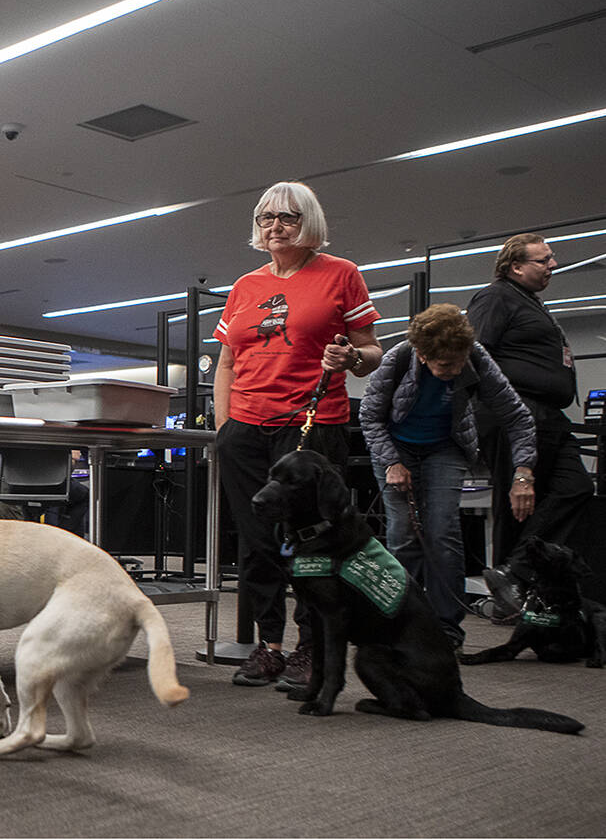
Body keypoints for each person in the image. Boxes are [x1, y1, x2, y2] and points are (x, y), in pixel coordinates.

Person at [212, 180, 382, 689]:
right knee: (257, 541)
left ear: (309, 223)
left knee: (310, 542)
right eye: (266, 218)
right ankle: (269, 646)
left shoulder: (341, 275)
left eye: (287, 217)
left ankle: (312, 647)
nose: (275, 227)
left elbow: (371, 353)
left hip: (310, 426)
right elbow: (226, 361)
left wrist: (351, 358)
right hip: (245, 427)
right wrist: (225, 428)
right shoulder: (245, 286)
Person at [359, 304, 536, 648]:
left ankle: (446, 628)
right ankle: (398, 624)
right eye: (445, 365)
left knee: (443, 533)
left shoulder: (475, 359)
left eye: (459, 363)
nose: (455, 371)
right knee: (404, 536)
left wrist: (524, 472)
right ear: (423, 356)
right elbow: (370, 418)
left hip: (445, 448)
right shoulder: (397, 360)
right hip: (397, 448)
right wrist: (392, 463)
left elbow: (518, 417)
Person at [465, 233, 595, 617]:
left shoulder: (531, 303)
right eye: (543, 260)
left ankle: (512, 573)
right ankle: (510, 597)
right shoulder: (496, 297)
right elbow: (476, 353)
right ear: (515, 267)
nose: (552, 265)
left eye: (551, 258)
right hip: (515, 412)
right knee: (518, 504)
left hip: (548, 415)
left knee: (576, 487)